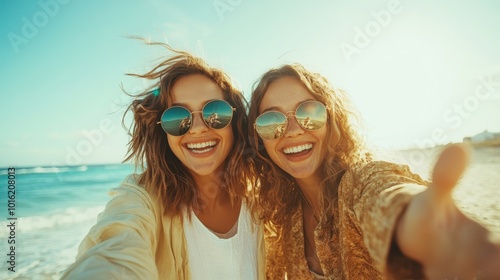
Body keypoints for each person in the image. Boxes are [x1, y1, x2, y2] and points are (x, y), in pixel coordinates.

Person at [247, 63, 500, 279]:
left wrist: (409, 219)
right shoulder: (280, 220)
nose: (292, 130)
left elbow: (384, 192)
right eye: (272, 121)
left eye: (309, 112)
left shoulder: (358, 183)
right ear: (260, 140)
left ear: (331, 119)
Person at [60, 41, 265, 279]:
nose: (197, 129)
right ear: (162, 131)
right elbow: (114, 248)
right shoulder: (143, 199)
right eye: (177, 117)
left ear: (235, 120)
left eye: (214, 112)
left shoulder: (262, 201)